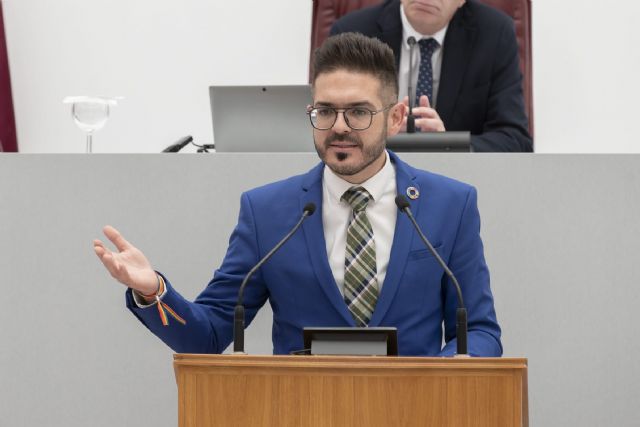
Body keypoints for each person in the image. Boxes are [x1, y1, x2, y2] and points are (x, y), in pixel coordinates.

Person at [93, 33, 502, 357]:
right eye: (325, 111)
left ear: (395, 117)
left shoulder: (450, 206)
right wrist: (153, 291)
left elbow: (481, 332)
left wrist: (447, 373)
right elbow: (211, 333)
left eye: (358, 112)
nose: (339, 126)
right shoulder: (268, 212)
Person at [330, 0, 532, 152]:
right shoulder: (352, 33)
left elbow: (514, 139)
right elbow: (328, 123)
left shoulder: (494, 35)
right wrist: (376, 134)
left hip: (454, 181)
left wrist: (448, 144)